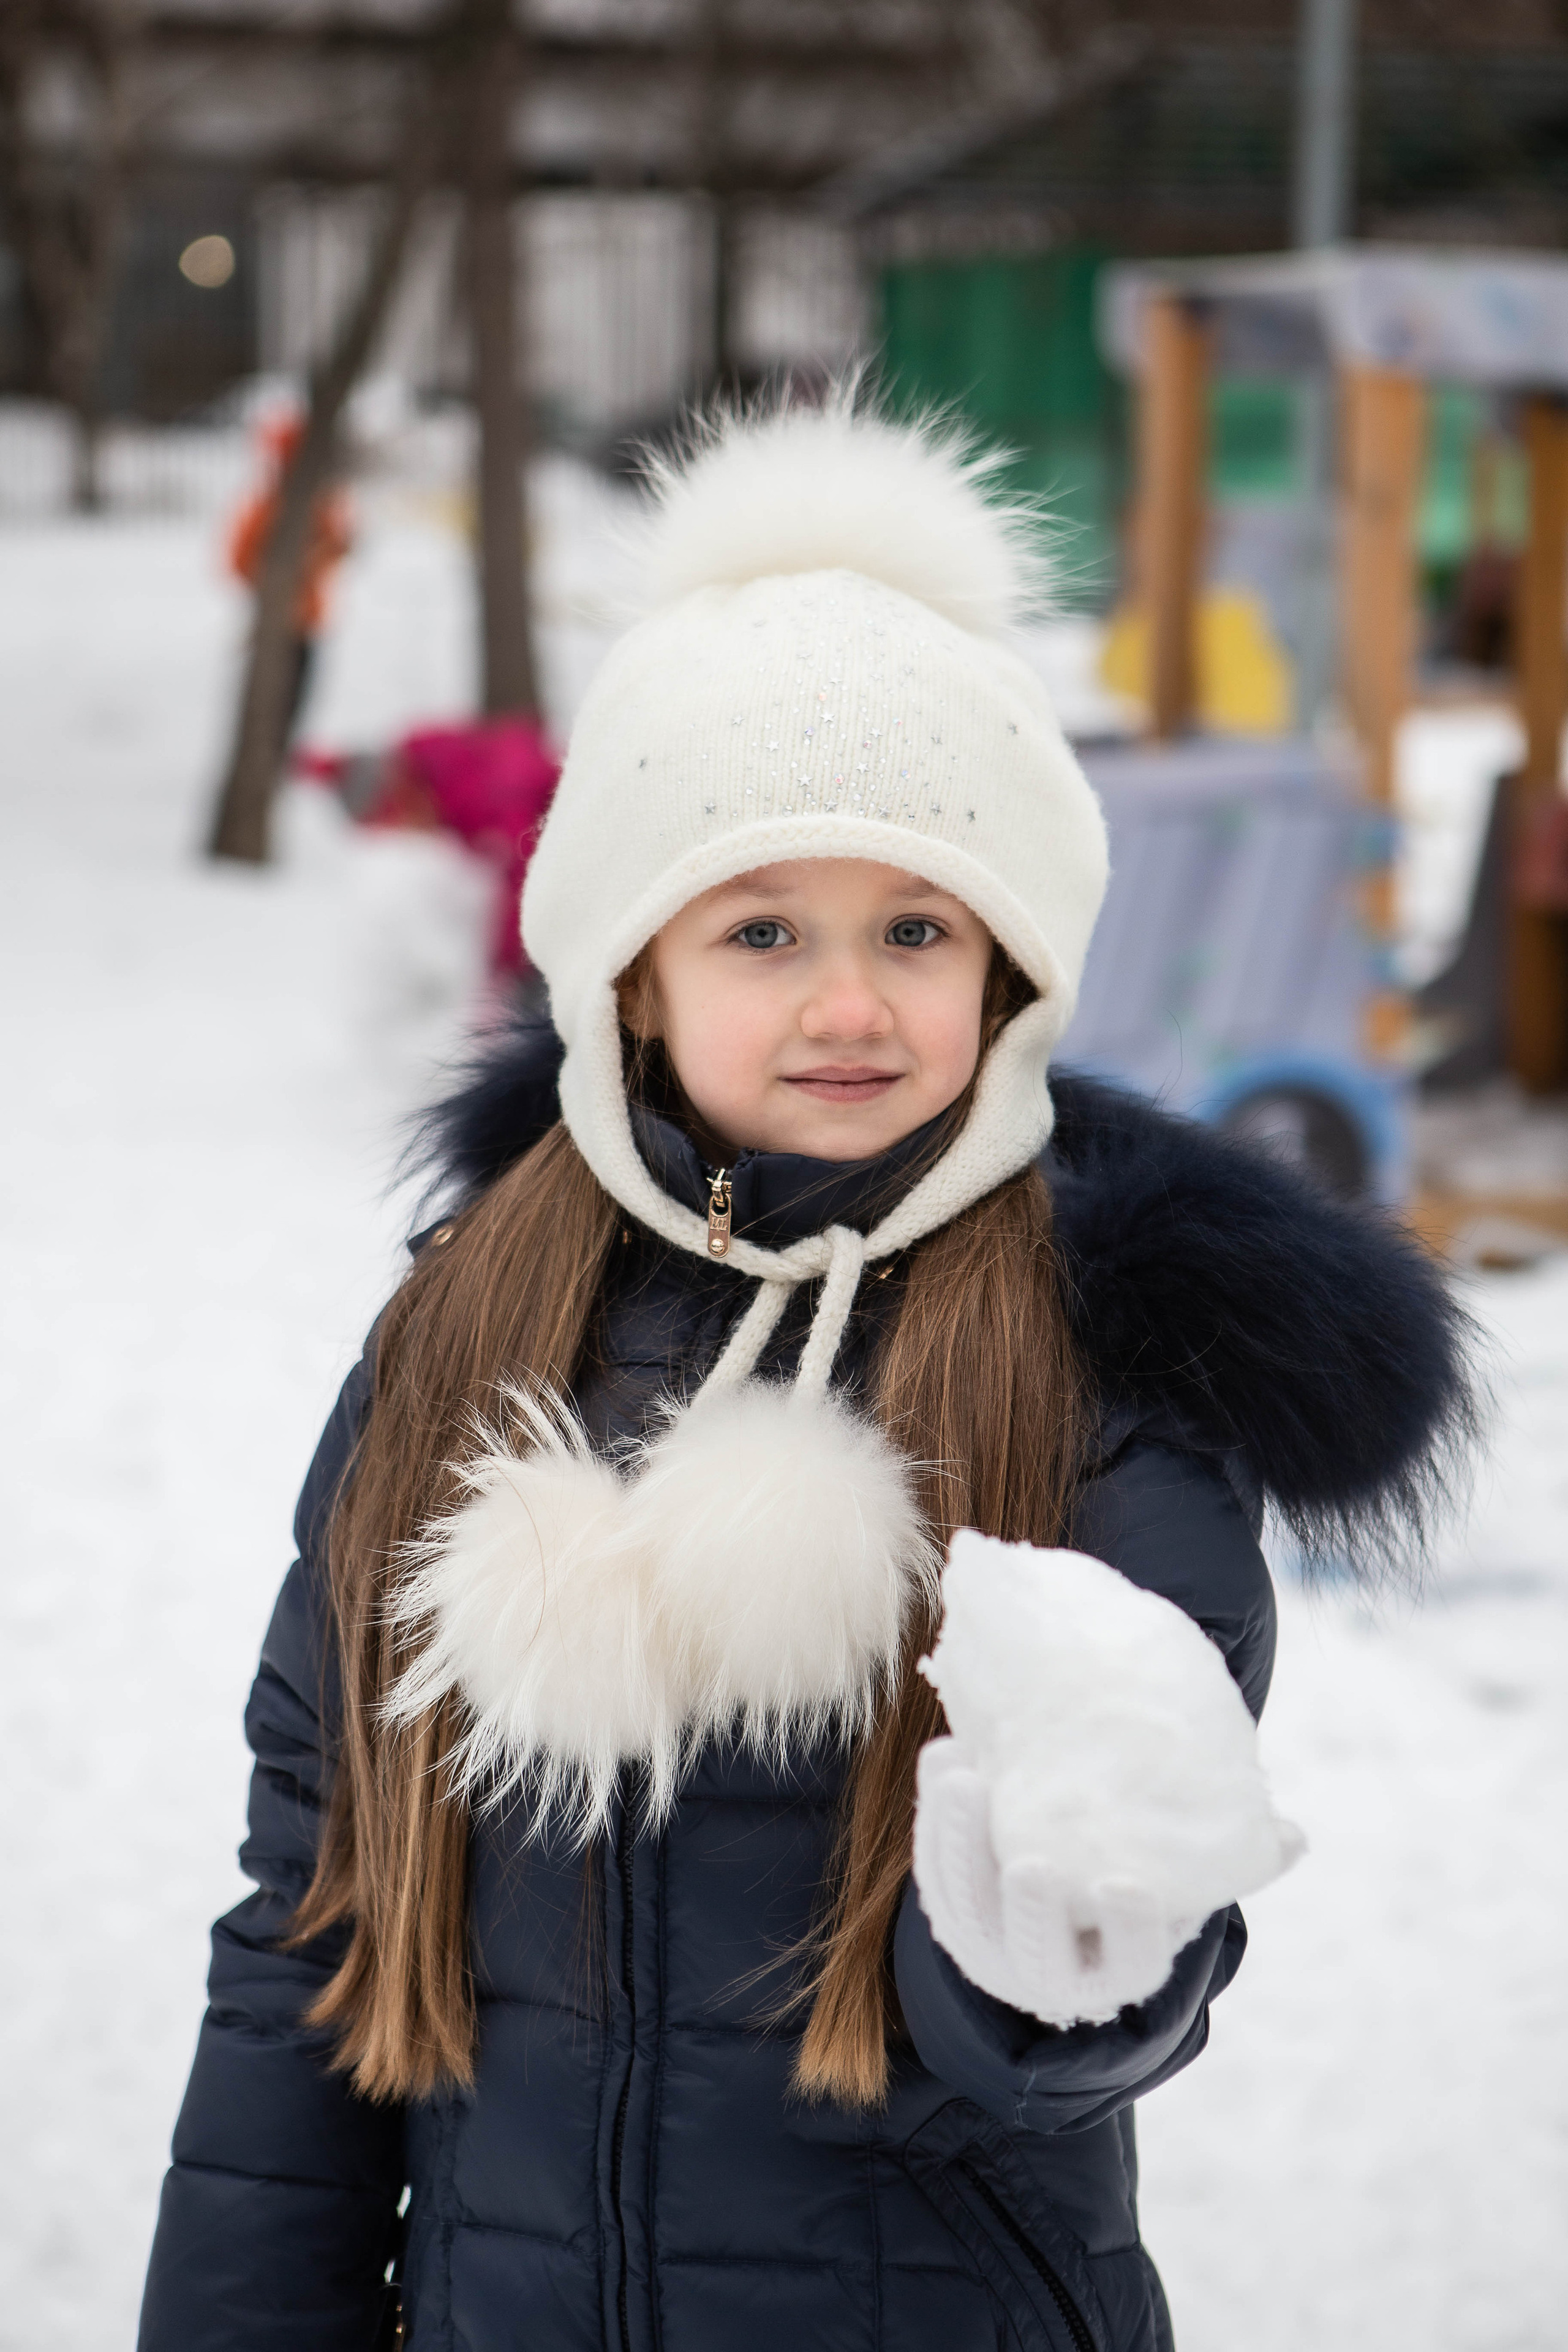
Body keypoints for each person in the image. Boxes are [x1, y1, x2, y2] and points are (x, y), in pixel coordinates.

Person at [140, 399, 1475, 2352]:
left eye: (915, 927)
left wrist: (1063, 1935)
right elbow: (308, 1918)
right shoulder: (468, 1332)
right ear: (633, 974)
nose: (848, 1001)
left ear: (1005, 971)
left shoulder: (1103, 1368)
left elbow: (1103, 1996)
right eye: (762, 927)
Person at [225, 409, 353, 743]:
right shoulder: (266, 507)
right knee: (268, 706)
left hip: (306, 622)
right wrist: (280, 578)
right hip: (277, 622)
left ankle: (282, 752)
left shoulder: (320, 505)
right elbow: (238, 563)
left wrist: (326, 552)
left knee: (294, 706)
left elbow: (338, 547)